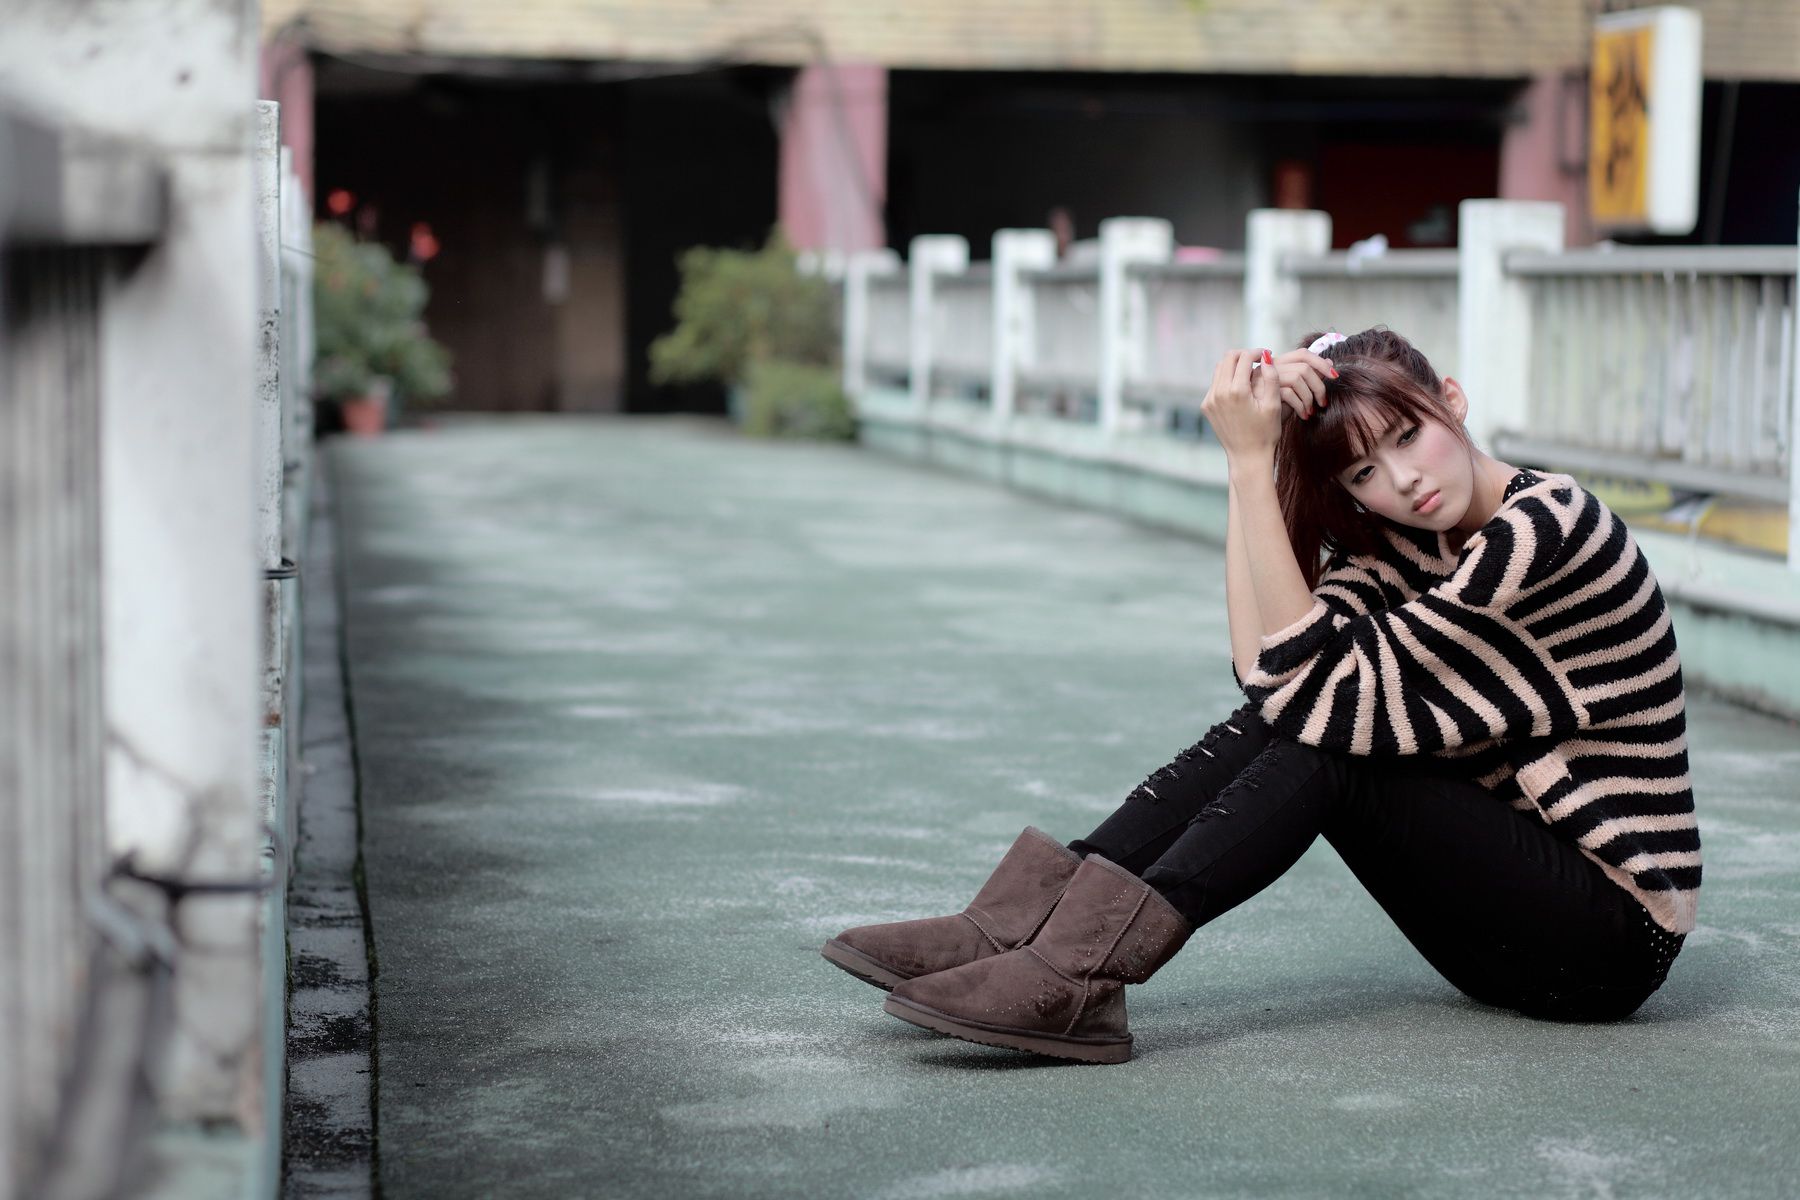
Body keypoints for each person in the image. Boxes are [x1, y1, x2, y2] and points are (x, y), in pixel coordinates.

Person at [821, 326, 1700, 1064]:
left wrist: (1251, 464)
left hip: (1609, 937)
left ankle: (1078, 972)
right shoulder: (1406, 544)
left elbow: (1305, 695)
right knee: (1296, 722)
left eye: (1407, 436)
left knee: (1331, 751)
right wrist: (1254, 463)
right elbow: (1266, 680)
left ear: (1455, 402)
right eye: (1360, 474)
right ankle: (1018, 929)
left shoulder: (1546, 531)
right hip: (1498, 943)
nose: (1402, 482)